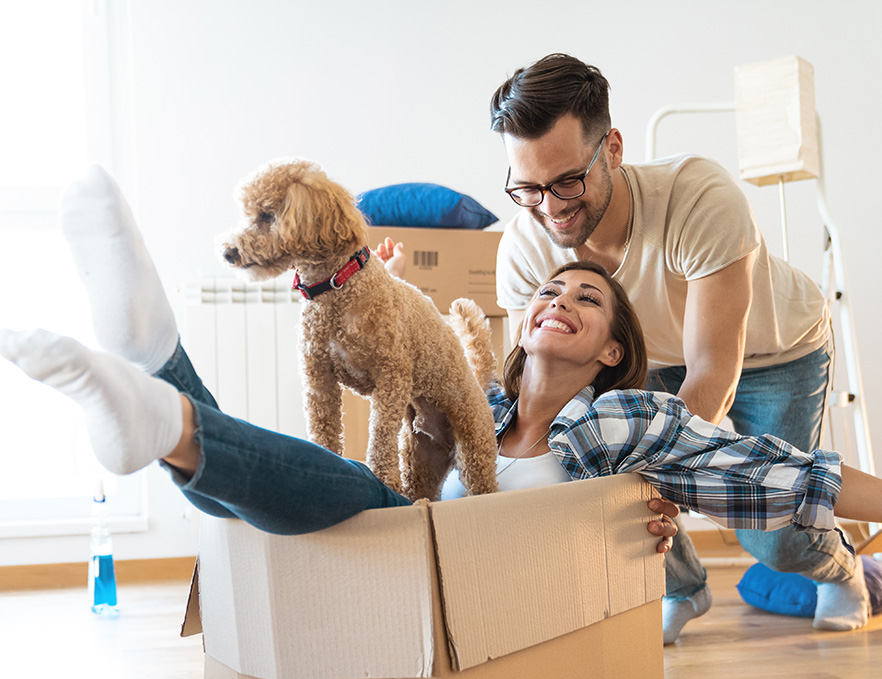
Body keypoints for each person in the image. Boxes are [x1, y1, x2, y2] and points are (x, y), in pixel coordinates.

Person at [3, 172, 881, 643]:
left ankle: (163, 380)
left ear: (614, 351)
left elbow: (788, 475)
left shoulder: (626, 423)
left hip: (479, 599)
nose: (556, 299)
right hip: (402, 566)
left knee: (353, 497)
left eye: (587, 299)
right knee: (329, 495)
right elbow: (384, 347)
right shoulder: (481, 408)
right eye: (548, 289)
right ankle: (159, 375)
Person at [488, 53, 866, 640]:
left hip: (772, 351)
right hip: (646, 358)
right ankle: (685, 589)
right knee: (601, 473)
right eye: (528, 188)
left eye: (568, 180)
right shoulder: (523, 246)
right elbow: (534, 380)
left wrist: (666, 473)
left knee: (772, 536)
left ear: (612, 148)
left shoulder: (698, 197)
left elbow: (714, 368)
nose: (552, 207)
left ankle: (841, 568)